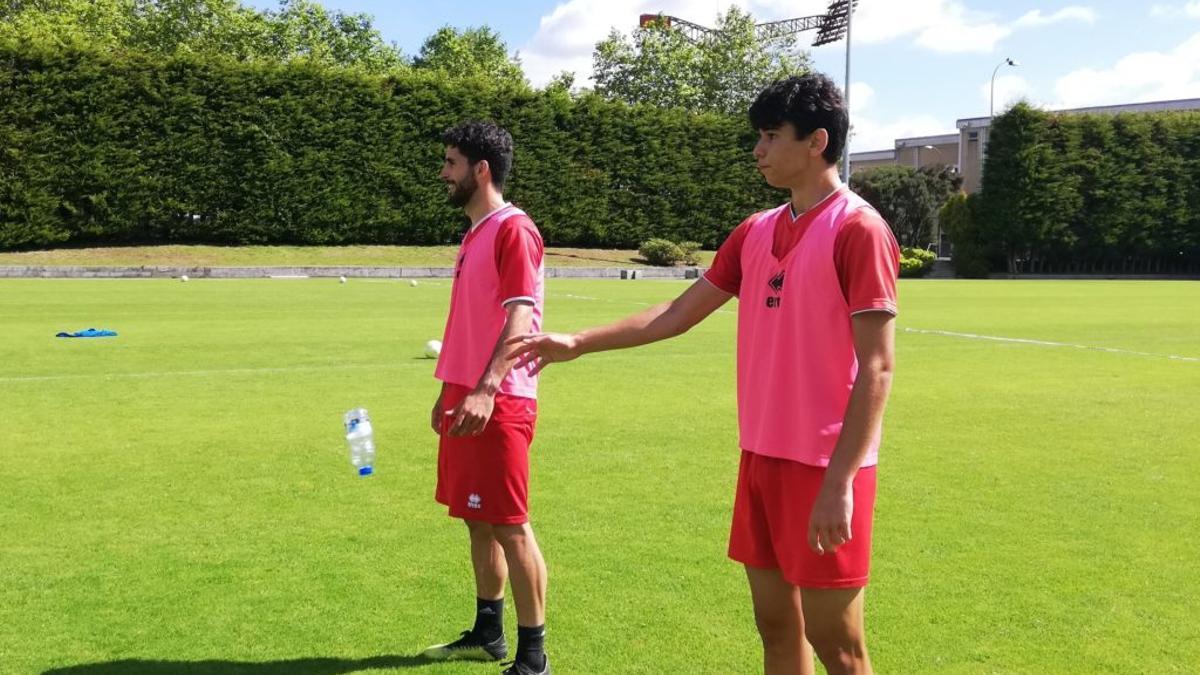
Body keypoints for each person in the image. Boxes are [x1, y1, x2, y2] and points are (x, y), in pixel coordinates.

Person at [506, 74, 898, 675]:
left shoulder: (858, 230)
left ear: (817, 141)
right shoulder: (755, 231)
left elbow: (877, 365)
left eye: (771, 136)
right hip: (762, 456)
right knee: (775, 627)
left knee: (837, 644)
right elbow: (678, 311)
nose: (757, 150)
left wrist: (840, 482)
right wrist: (578, 342)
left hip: (825, 466)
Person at [422, 120, 551, 675]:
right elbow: (468, 324)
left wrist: (485, 388)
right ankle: (488, 633)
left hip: (500, 398)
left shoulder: (513, 230)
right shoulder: (476, 231)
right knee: (478, 519)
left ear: (481, 170)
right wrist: (448, 390)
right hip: (465, 394)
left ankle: (533, 656)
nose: (443, 173)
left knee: (510, 523)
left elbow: (520, 316)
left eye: (451, 162)